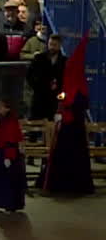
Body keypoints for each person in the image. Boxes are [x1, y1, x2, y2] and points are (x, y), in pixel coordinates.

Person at [45, 37, 93, 195]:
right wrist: (61, 105)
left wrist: (66, 107)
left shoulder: (78, 86)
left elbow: (77, 103)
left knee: (71, 155)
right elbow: (65, 96)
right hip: (68, 123)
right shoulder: (71, 82)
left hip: (73, 126)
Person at [0, 98, 26, 212]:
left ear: (7, 108)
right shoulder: (3, 120)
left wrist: (8, 157)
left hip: (7, 153)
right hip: (3, 151)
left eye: (0, 106)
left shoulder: (10, 121)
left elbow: (10, 139)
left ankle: (8, 203)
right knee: (0, 178)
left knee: (7, 180)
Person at [26, 34, 64, 120]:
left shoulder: (64, 61)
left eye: (55, 45)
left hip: (54, 99)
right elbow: (29, 75)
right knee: (36, 122)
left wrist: (59, 89)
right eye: (50, 44)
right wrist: (36, 86)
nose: (52, 47)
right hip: (39, 97)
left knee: (52, 123)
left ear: (59, 46)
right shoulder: (39, 58)